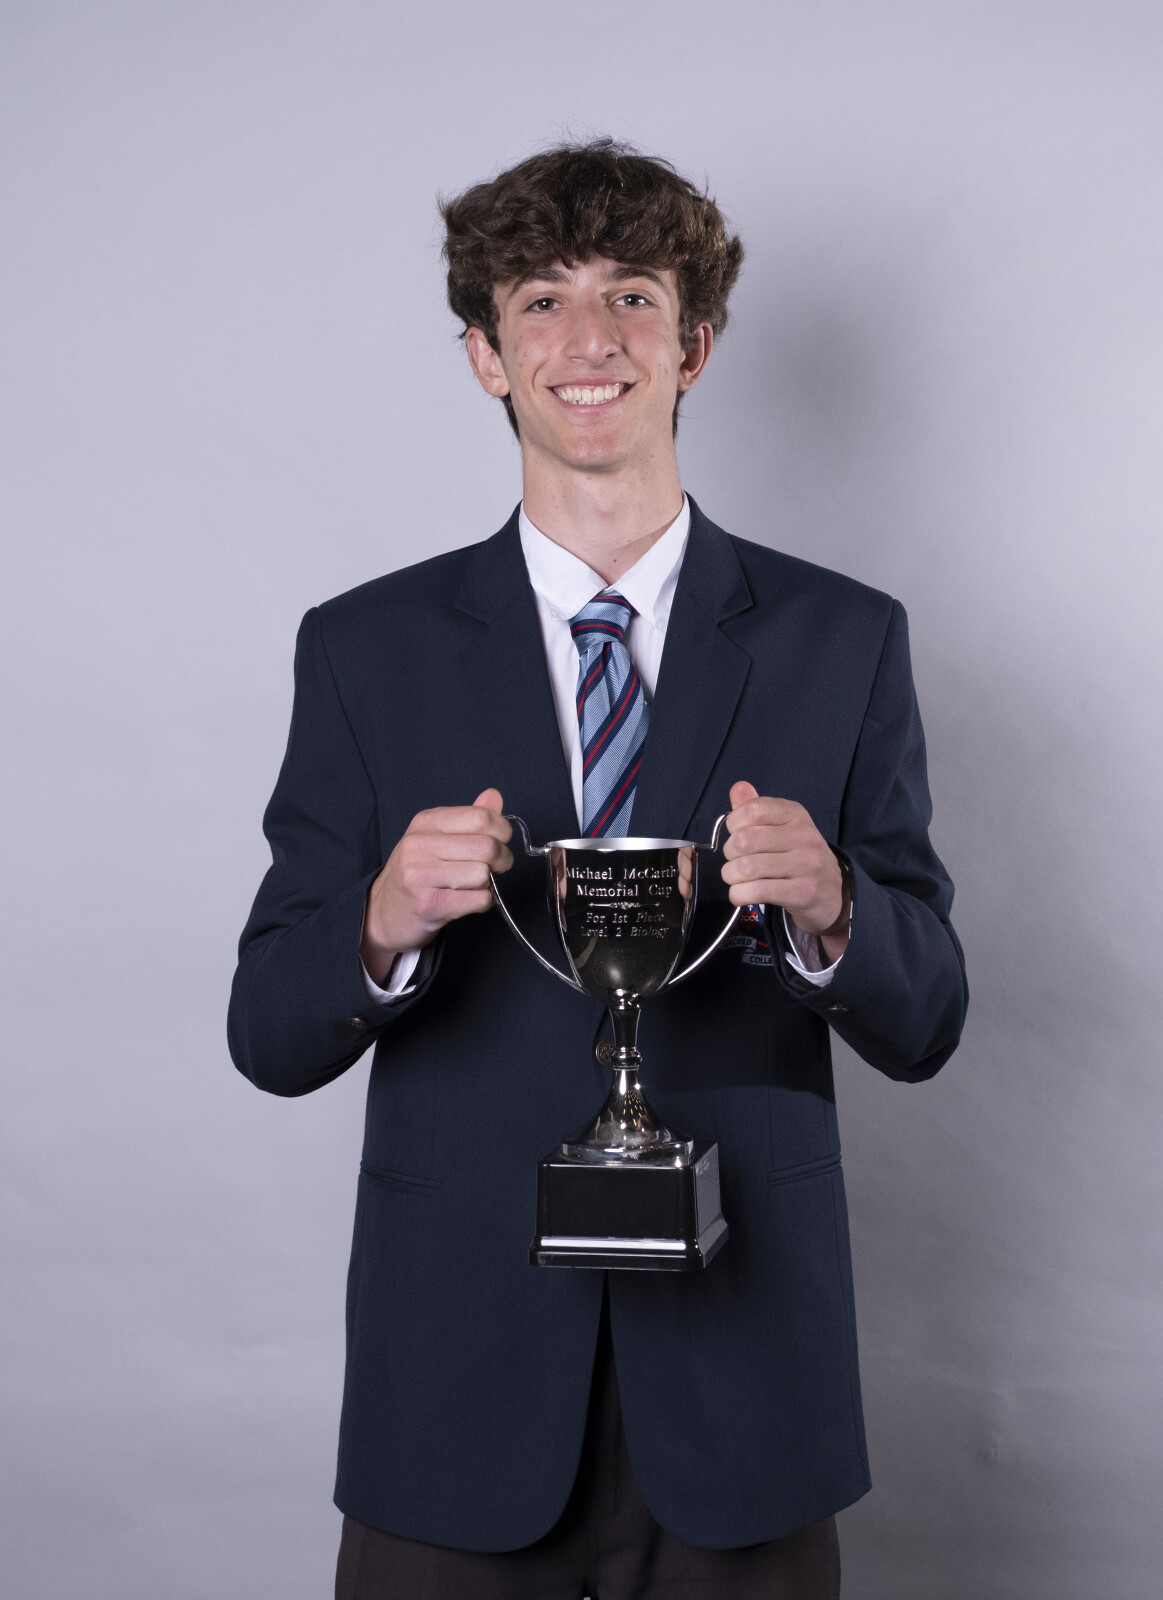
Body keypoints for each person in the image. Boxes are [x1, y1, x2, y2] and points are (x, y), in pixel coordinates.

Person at [229, 139, 967, 1600]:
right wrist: (379, 922)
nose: (590, 339)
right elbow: (268, 1030)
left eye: (633, 295)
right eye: (542, 299)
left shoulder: (843, 638)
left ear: (695, 347)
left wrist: (836, 909)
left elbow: (930, 1017)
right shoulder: (365, 650)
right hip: (457, 1378)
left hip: (746, 1378)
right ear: (485, 357)